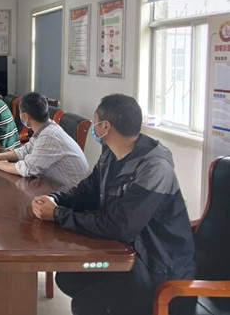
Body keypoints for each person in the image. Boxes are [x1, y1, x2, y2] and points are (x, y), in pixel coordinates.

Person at [31, 94, 196, 315]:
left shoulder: (154, 168)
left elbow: (120, 226)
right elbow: (85, 192)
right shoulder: (110, 156)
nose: (94, 127)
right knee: (68, 277)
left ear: (105, 127)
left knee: (87, 305)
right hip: (130, 255)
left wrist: (58, 214)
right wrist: (54, 200)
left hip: (158, 269)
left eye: (95, 122)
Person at [0, 92, 89, 191]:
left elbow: (28, 168)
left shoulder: (49, 136)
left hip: (72, 194)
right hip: (55, 186)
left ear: (25, 117)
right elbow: (24, 151)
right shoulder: (45, 128)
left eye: (20, 113)